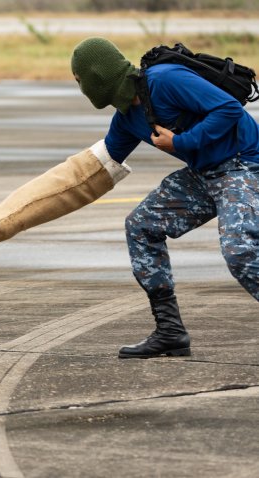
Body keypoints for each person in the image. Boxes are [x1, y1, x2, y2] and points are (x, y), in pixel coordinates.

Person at [70, 37, 259, 359]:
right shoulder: (126, 118)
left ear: (98, 75)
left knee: (239, 250)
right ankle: (170, 332)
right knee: (141, 226)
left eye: (79, 79)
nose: (80, 86)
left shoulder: (164, 79)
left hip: (245, 164)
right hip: (205, 175)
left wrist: (184, 142)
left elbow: (228, 107)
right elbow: (103, 162)